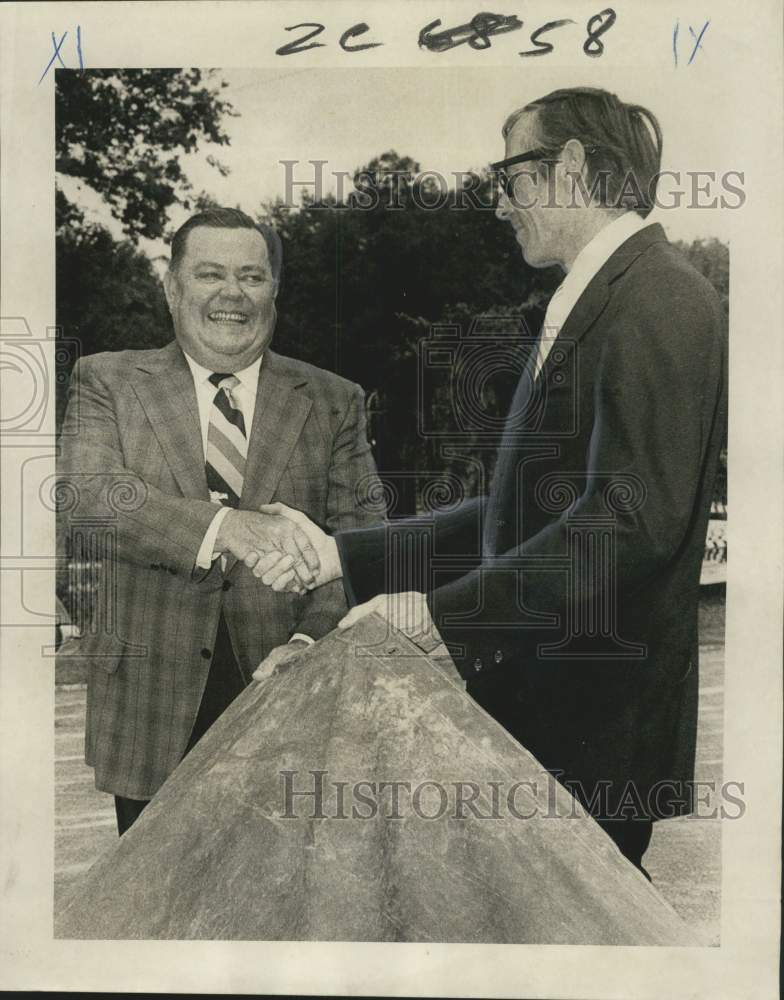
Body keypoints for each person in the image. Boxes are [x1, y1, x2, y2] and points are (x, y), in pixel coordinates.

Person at [255, 88, 728, 876]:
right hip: (557, 723)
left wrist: (445, 619)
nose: (500, 204)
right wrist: (342, 556)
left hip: (592, 734)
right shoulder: (606, 297)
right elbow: (519, 516)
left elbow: (627, 524)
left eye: (509, 176)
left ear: (571, 166)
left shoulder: (660, 299)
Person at [57, 207, 381, 834]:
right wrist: (227, 528)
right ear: (172, 286)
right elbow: (87, 493)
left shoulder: (335, 400)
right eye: (209, 274)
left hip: (287, 697)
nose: (232, 294)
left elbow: (361, 542)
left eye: (252, 277)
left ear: (274, 291)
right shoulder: (108, 379)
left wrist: (309, 642)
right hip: (149, 707)